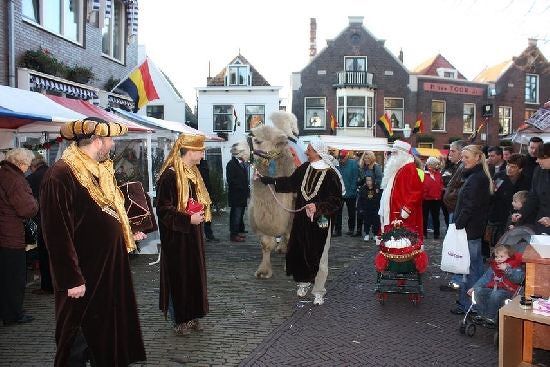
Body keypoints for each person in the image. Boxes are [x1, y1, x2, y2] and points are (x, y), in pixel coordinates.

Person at [40, 118, 146, 366]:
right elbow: (56, 233)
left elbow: (104, 212)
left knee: (106, 331)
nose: (112, 145)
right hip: (83, 275)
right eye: (110, 140)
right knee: (76, 338)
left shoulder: (99, 170)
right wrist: (71, 278)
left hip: (107, 270)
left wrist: (127, 230)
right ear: (98, 141)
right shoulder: (61, 174)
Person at [257, 140, 343, 305]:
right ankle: (303, 283)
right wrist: (269, 180)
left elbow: (337, 201)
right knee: (300, 251)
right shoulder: (304, 169)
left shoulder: (331, 174)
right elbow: (290, 183)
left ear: (317, 152)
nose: (306, 152)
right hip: (302, 221)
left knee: (320, 257)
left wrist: (317, 206)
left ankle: (318, 291)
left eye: (309, 150)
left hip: (321, 223)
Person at [156, 134, 211, 335]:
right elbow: (163, 210)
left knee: (194, 275)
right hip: (176, 239)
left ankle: (193, 314)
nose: (203, 155)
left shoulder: (192, 173)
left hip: (192, 236)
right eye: (200, 151)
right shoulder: (169, 176)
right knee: (179, 277)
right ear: (190, 151)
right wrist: (187, 219)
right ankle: (179, 319)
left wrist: (198, 213)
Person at [451, 144, 493, 315]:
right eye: (463, 157)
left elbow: (469, 206)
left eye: (466, 157)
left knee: (470, 268)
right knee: (473, 266)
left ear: (477, 158)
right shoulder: (478, 176)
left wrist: (458, 226)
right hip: (473, 229)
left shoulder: (476, 178)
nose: (463, 160)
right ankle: (470, 303)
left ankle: (470, 305)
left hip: (469, 229)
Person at [0, 148, 38, 326]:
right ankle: (13, 314)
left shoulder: (3, 174)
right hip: (11, 235)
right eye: (28, 165)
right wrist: (36, 204)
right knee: (14, 278)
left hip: (4, 233)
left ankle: (7, 311)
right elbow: (26, 208)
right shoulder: (15, 179)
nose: (28, 168)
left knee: (5, 277)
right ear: (21, 163)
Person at [467, 245, 524, 327]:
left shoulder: (516, 267)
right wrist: (474, 287)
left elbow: (518, 279)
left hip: (508, 291)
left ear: (509, 256)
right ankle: (481, 314)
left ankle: (491, 318)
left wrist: (507, 270)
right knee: (478, 291)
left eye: (501, 256)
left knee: (496, 295)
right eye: (497, 257)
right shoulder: (494, 267)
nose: (498, 259)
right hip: (494, 289)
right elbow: (485, 278)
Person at [378, 140, 423, 241]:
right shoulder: (397, 168)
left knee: (402, 241)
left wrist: (407, 209)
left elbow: (417, 191)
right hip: (394, 210)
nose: (392, 156)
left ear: (403, 154)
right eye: (392, 152)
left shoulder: (409, 168)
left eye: (395, 153)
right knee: (393, 239)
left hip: (401, 212)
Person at [485, 154, 530, 250]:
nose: (509, 168)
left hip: (515, 217)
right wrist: (491, 191)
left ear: (520, 169)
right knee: (495, 244)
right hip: (497, 215)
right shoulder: (499, 176)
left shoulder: (526, 181)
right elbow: (491, 197)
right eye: (508, 165)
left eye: (513, 167)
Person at [440, 140, 467, 292]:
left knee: (457, 245)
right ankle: (457, 278)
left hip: (457, 210)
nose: (450, 154)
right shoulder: (457, 166)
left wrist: (449, 195)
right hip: (453, 209)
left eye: (453, 151)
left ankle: (458, 280)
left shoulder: (463, 167)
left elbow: (461, 189)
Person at [26, 155, 53, 295]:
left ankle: (47, 286)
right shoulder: (54, 172)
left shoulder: (32, 178)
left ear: (33, 166)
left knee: (44, 253)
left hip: (42, 219)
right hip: (57, 219)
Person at [515, 142, 550, 234]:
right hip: (541, 223)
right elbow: (533, 196)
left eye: (541, 158)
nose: (537, 161)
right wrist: (522, 213)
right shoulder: (538, 171)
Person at [226, 142, 250, 242]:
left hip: (241, 195)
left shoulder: (242, 164)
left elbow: (244, 179)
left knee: (239, 215)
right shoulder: (231, 164)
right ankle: (234, 235)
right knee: (236, 215)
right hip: (236, 195)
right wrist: (242, 187)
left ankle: (238, 231)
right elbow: (231, 180)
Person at [335, 150, 360, 237]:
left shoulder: (353, 164)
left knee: (351, 212)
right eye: (340, 158)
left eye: (343, 158)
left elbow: (355, 178)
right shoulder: (337, 165)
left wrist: (352, 190)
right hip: (339, 193)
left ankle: (351, 229)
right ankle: (337, 230)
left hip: (351, 193)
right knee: (338, 212)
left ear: (347, 156)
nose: (341, 160)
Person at [357, 150, 383, 233]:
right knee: (361, 210)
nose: (366, 159)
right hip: (364, 192)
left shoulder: (376, 167)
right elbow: (362, 179)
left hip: (374, 193)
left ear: (371, 158)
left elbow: (380, 180)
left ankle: (375, 232)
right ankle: (360, 230)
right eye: (365, 158)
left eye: (368, 158)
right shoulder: (364, 167)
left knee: (373, 213)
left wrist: (376, 190)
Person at [198, 158, 220, 242]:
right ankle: (201, 235)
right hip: (199, 193)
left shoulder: (204, 164)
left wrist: (211, 193)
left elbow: (207, 180)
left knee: (207, 216)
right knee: (200, 215)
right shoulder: (194, 165)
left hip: (206, 193)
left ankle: (208, 235)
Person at [422, 156, 444, 240]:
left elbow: (440, 185)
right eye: (429, 164)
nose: (430, 166)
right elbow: (422, 186)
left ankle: (436, 234)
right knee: (425, 217)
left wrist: (440, 192)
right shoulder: (424, 174)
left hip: (436, 199)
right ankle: (424, 233)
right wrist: (424, 195)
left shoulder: (438, 174)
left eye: (432, 165)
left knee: (436, 217)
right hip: (426, 200)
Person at [357, 176, 380, 241]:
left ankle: (375, 234)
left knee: (376, 222)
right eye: (367, 180)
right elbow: (360, 200)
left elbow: (379, 198)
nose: (368, 182)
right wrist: (360, 208)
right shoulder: (363, 189)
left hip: (375, 208)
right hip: (366, 208)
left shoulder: (376, 189)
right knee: (366, 222)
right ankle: (367, 234)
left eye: (370, 180)